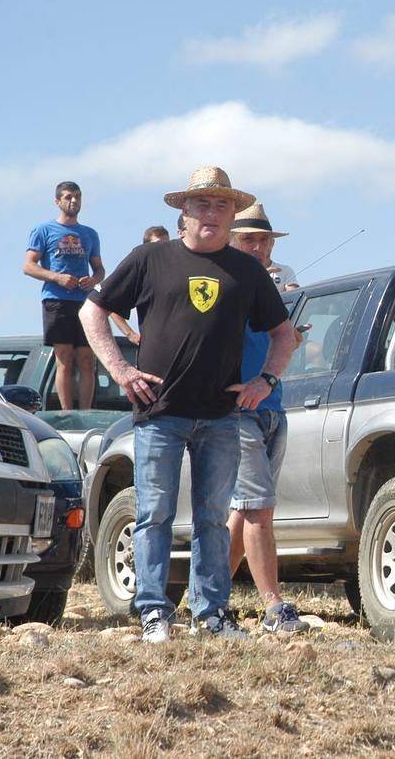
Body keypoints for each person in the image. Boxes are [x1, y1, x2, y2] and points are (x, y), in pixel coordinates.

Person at [80, 166, 297, 642]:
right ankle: (155, 611)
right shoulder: (150, 258)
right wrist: (120, 370)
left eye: (223, 205)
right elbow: (91, 310)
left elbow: (285, 335)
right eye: (203, 204)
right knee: (154, 513)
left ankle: (210, 614)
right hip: (159, 412)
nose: (213, 213)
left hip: (223, 415)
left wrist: (265, 379)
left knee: (213, 519)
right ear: (184, 211)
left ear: (233, 215)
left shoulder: (247, 270)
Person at [226, 202, 309, 635]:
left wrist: (289, 336)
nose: (259, 248)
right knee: (259, 508)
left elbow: (284, 343)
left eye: (264, 240)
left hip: (272, 409)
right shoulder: (225, 284)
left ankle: (213, 595)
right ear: (232, 240)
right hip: (239, 410)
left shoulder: (267, 290)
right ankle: (273, 605)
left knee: (244, 511)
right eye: (249, 239)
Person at [23, 181, 105, 410]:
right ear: (58, 201)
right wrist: (57, 277)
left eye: (77, 196)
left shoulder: (89, 234)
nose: (74, 201)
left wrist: (93, 280)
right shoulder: (44, 230)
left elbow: (99, 269)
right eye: (68, 197)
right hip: (57, 300)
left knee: (88, 360)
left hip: (85, 302)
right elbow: (28, 266)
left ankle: (86, 413)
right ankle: (68, 414)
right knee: (65, 359)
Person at [111, 226, 174, 345]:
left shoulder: (178, 271)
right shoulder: (142, 275)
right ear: (146, 248)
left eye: (167, 244)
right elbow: (111, 304)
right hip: (153, 347)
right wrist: (130, 334)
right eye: (158, 244)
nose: (163, 248)